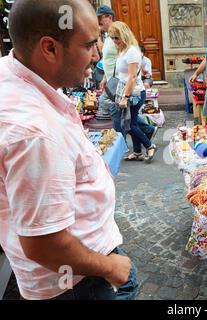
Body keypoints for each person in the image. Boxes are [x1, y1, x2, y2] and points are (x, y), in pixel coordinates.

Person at [0, 0, 138, 300]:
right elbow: (43, 244)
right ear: (49, 48)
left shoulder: (16, 74)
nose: (98, 54)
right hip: (77, 283)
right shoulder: (35, 133)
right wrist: (109, 267)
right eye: (89, 44)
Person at [108, 21, 157, 162]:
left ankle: (149, 145)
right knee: (132, 123)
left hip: (134, 93)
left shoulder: (132, 52)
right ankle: (137, 152)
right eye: (112, 38)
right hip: (127, 91)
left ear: (124, 35)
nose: (114, 40)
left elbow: (133, 77)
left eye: (116, 37)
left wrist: (125, 97)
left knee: (129, 125)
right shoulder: (123, 50)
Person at [96, 6, 118, 116]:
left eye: (100, 18)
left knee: (105, 103)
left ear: (109, 17)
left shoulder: (117, 34)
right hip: (111, 80)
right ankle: (148, 129)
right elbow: (107, 57)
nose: (98, 21)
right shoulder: (109, 36)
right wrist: (105, 78)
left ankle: (119, 130)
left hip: (118, 80)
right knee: (123, 113)